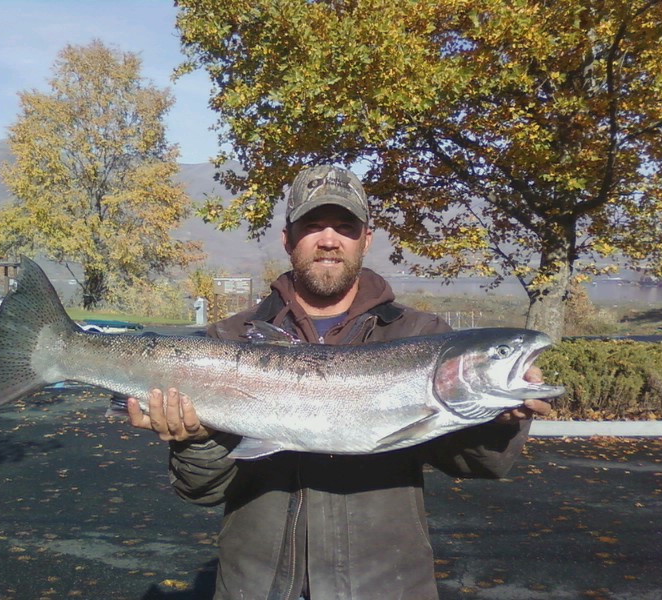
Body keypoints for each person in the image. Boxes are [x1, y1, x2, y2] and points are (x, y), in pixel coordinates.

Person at [127, 165, 553, 599]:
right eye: (312, 226)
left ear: (366, 239)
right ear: (288, 239)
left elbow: (479, 465)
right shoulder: (230, 339)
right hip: (255, 587)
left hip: (387, 588)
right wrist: (196, 441)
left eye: (345, 227)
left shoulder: (422, 334)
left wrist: (499, 420)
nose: (328, 240)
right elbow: (201, 491)